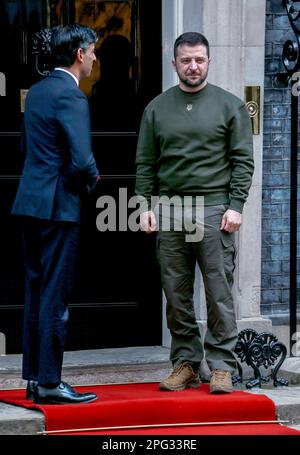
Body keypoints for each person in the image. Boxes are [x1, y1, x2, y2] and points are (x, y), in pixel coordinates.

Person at [135, 32, 254, 394]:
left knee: (219, 292)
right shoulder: (156, 108)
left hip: (215, 209)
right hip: (170, 210)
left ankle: (220, 366)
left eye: (199, 59)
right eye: (186, 60)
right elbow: (145, 163)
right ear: (174, 63)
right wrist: (143, 206)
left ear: (209, 61)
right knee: (176, 292)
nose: (193, 66)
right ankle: (185, 363)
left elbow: (242, 161)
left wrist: (236, 206)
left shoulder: (230, 105)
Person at [11, 24, 100, 404]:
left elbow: (24, 145)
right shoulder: (72, 97)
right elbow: (82, 161)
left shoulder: (40, 91)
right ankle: (49, 382)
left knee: (35, 289)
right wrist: (94, 180)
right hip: (58, 207)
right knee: (55, 296)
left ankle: (34, 378)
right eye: (93, 51)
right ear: (79, 54)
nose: (95, 57)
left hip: (30, 202)